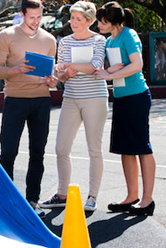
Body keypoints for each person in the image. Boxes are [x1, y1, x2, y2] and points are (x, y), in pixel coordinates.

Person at [0, 0, 58, 218]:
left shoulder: (49, 39)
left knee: (37, 153)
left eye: (39, 17)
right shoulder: (6, 35)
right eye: (32, 17)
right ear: (22, 15)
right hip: (15, 100)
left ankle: (32, 201)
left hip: (41, 100)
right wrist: (17, 69)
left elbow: (53, 74)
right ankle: (6, 200)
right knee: (8, 152)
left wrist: (52, 81)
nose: (36, 21)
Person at [39, 1, 108, 212]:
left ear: (89, 21)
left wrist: (70, 66)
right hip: (71, 98)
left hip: (94, 98)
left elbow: (95, 67)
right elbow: (60, 75)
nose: (74, 22)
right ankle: (62, 194)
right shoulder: (65, 42)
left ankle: (92, 197)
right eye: (72, 18)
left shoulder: (99, 40)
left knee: (94, 149)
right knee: (61, 148)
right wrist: (64, 74)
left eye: (79, 19)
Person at [94, 2, 156, 216]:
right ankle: (132, 196)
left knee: (141, 146)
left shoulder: (128, 35)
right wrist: (108, 71)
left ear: (114, 22)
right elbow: (114, 68)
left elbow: (137, 65)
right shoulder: (110, 40)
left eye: (103, 22)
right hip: (120, 98)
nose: (99, 25)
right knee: (125, 148)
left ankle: (147, 200)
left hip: (137, 97)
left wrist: (109, 75)